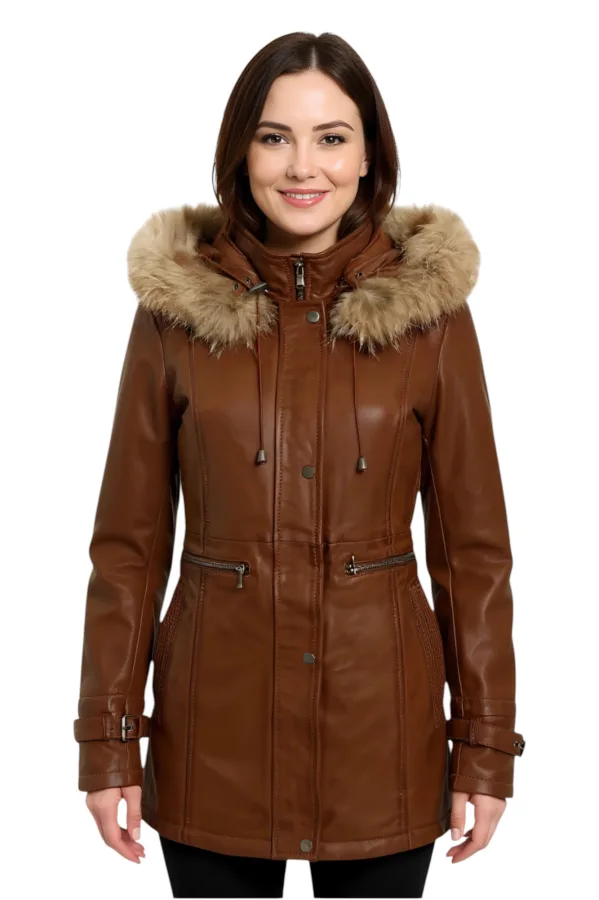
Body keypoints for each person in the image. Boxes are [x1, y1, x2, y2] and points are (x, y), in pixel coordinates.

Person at [72, 30, 525, 899]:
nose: (301, 165)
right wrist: (108, 739)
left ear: (369, 155)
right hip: (214, 732)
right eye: (274, 136)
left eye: (331, 137)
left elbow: (473, 555)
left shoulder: (429, 318)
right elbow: (127, 547)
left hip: (380, 733)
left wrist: (484, 745)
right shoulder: (175, 313)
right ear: (241, 152)